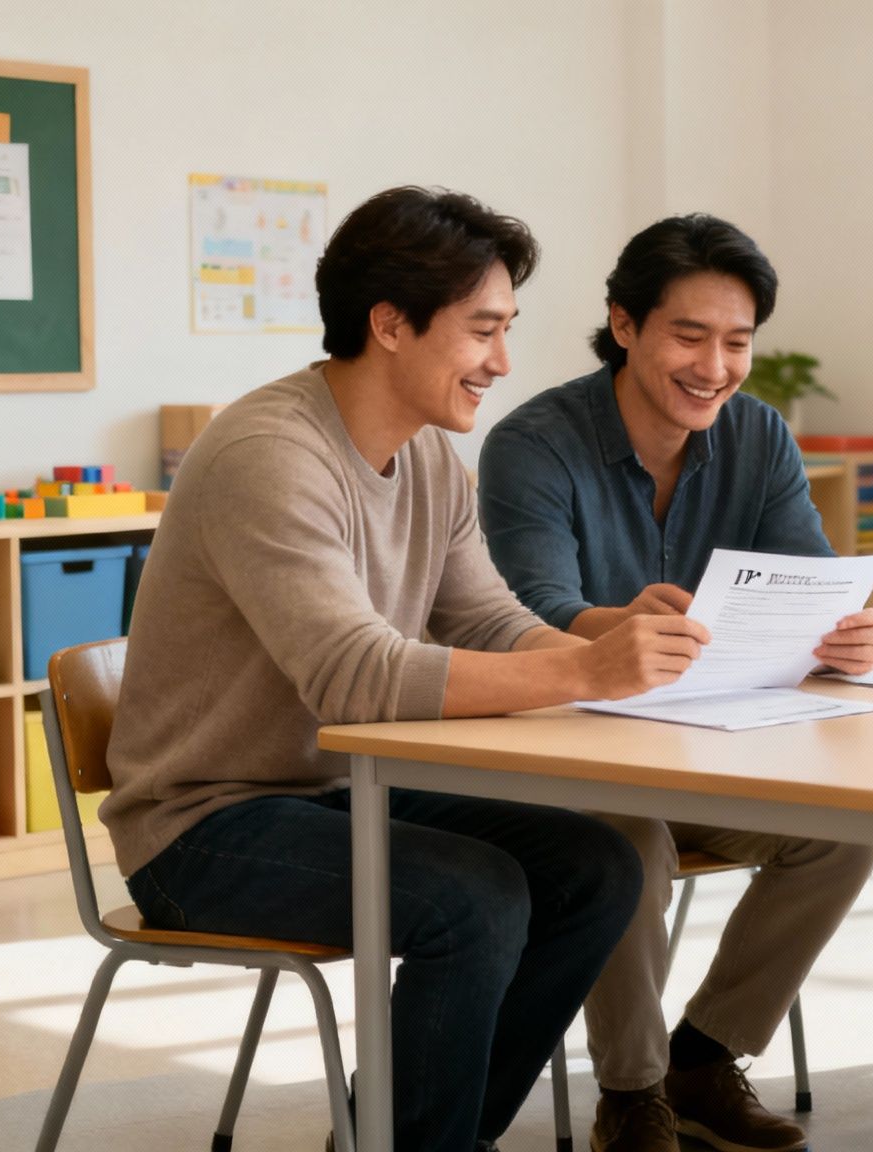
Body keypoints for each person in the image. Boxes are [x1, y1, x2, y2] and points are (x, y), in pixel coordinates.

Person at [102, 186, 712, 1152]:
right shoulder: (268, 454)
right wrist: (588, 673)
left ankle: (411, 1133)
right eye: (482, 332)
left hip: (337, 790)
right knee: (473, 898)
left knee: (596, 868)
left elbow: (489, 620)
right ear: (389, 324)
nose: (502, 363)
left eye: (506, 330)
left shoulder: (429, 456)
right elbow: (354, 676)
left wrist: (639, 668)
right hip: (203, 825)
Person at [477, 213, 873, 1152]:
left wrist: (844, 635)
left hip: (710, 742)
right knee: (626, 843)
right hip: (574, 754)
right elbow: (530, 610)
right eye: (688, 336)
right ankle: (633, 1090)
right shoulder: (533, 443)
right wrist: (611, 630)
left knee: (844, 830)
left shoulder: (759, 438)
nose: (715, 366)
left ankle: (704, 1056)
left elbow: (808, 583)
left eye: (736, 342)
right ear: (624, 325)